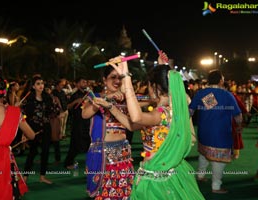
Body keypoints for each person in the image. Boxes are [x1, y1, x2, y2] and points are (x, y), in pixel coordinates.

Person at [102, 55, 205, 199]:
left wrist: (126, 77)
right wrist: (111, 107)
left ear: (155, 87)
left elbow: (136, 117)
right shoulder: (175, 108)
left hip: (156, 176)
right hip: (170, 170)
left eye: (149, 85)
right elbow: (132, 125)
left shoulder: (160, 114)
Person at [82, 66, 135, 199]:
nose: (117, 80)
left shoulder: (125, 99)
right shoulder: (95, 97)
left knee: (124, 194)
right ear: (104, 80)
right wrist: (107, 98)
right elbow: (85, 114)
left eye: (120, 77)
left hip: (123, 154)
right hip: (103, 156)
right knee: (104, 194)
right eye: (113, 77)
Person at [189, 69, 242, 194]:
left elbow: (190, 111)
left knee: (204, 153)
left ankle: (200, 175)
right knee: (219, 161)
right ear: (221, 81)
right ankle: (216, 186)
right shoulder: (228, 95)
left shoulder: (201, 93)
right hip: (221, 135)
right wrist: (239, 126)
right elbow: (238, 116)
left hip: (204, 133)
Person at [22, 75, 55, 184]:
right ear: (33, 86)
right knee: (32, 152)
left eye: (42, 83)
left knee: (45, 152)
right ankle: (25, 176)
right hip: (33, 128)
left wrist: (54, 108)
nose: (41, 86)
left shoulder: (47, 97)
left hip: (46, 127)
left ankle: (42, 176)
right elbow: (23, 115)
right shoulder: (28, 98)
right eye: (38, 84)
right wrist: (24, 132)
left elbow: (54, 111)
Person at [64, 77, 90, 169]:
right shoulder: (74, 95)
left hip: (86, 121)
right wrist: (76, 101)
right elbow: (67, 107)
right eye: (83, 81)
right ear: (77, 84)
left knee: (89, 143)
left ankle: (90, 163)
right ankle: (67, 163)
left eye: (86, 81)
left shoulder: (87, 94)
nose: (85, 83)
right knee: (75, 143)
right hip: (77, 122)